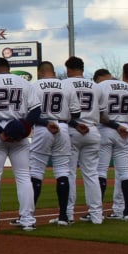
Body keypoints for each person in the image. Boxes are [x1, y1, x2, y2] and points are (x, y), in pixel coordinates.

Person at [0, 57, 43, 231]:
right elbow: (36, 109)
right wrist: (24, 127)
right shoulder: (24, 83)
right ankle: (28, 220)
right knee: (23, 177)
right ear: (8, 68)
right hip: (20, 133)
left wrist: (1, 131)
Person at [28, 60, 75, 225]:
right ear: (54, 72)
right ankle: (63, 216)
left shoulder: (34, 85)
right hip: (62, 126)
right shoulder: (66, 86)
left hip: (43, 127)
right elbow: (75, 113)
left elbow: (30, 114)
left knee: (36, 171)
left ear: (40, 72)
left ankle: (28, 217)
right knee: (62, 171)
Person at [97, 64, 128, 220]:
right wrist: (124, 124)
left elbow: (98, 113)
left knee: (101, 171)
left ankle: (97, 212)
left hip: (106, 129)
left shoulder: (102, 86)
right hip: (124, 129)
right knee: (125, 172)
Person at [65, 59, 104, 223]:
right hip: (93, 130)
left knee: (69, 173)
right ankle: (96, 216)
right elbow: (102, 114)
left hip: (73, 130)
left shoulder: (64, 84)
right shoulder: (96, 86)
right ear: (82, 68)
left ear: (69, 69)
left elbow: (64, 112)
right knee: (92, 174)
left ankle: (67, 214)